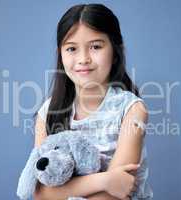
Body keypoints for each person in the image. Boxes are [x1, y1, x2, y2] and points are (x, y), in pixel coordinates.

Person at [33, 3, 153, 200]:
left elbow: (117, 192)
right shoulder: (47, 112)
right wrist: (105, 180)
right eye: (71, 48)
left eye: (96, 46)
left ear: (115, 51)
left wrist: (63, 192)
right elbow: (40, 192)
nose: (83, 59)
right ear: (60, 55)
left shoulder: (131, 109)